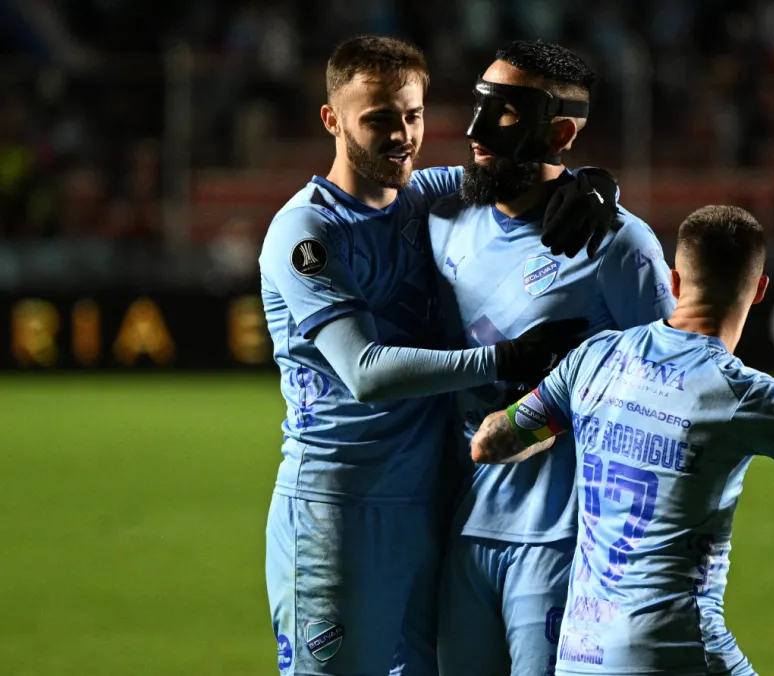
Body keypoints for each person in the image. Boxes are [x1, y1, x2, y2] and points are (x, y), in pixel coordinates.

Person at [470, 204, 774, 675]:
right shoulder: (745, 394)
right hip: (679, 652)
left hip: (582, 654)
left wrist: (566, 424)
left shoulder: (595, 357)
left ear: (675, 281)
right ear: (759, 290)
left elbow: (491, 442)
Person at [259, 35, 616, 676]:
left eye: (412, 116)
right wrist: (506, 360)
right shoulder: (304, 233)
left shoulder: (428, 196)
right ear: (331, 119)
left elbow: (523, 174)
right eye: (378, 120)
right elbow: (364, 372)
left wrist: (592, 184)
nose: (401, 136)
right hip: (338, 510)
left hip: (429, 503)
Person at [428, 40, 676, 676]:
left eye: (506, 113)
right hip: (467, 525)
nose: (477, 129)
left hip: (566, 537)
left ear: (560, 130)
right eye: (479, 104)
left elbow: (674, 381)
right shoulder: (444, 218)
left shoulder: (619, 244)